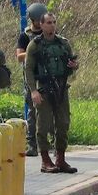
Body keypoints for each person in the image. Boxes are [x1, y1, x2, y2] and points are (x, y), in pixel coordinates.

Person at [24, 13, 79, 173]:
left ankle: (60, 159)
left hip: (61, 88)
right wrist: (33, 90)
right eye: (48, 22)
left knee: (63, 124)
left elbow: (71, 66)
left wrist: (74, 66)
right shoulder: (35, 45)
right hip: (44, 89)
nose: (52, 25)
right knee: (43, 125)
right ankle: (45, 160)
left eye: (54, 22)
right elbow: (28, 69)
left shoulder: (63, 43)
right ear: (41, 25)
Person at [16, 3, 48, 156]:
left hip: (48, 77)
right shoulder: (25, 36)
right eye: (39, 20)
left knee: (50, 111)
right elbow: (19, 56)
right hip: (31, 77)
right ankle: (32, 144)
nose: (41, 23)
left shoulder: (48, 33)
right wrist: (33, 51)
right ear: (33, 20)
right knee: (32, 111)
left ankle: (49, 143)